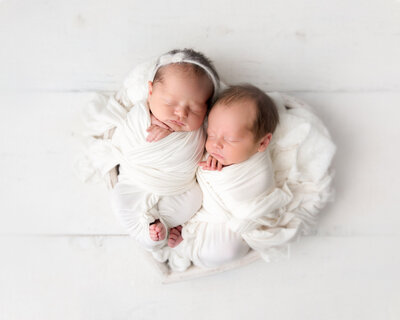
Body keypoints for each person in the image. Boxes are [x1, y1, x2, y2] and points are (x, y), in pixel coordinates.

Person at [80, 49, 220, 252]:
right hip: (136, 180)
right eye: (170, 103)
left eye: (195, 108)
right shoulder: (139, 115)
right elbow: (124, 143)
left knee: (196, 198)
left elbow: (208, 149)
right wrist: (151, 131)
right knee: (120, 200)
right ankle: (148, 234)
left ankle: (161, 225)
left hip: (179, 186)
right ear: (151, 91)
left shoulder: (203, 127)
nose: (181, 113)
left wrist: (213, 159)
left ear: (207, 110)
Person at [161, 84, 296, 270]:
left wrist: (217, 172)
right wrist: (208, 169)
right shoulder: (217, 152)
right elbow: (195, 175)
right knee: (172, 190)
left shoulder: (258, 173)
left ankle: (186, 241)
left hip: (228, 220)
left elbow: (244, 207)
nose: (216, 145)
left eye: (230, 139)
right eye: (212, 134)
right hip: (206, 211)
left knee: (229, 250)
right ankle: (184, 229)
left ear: (262, 142)